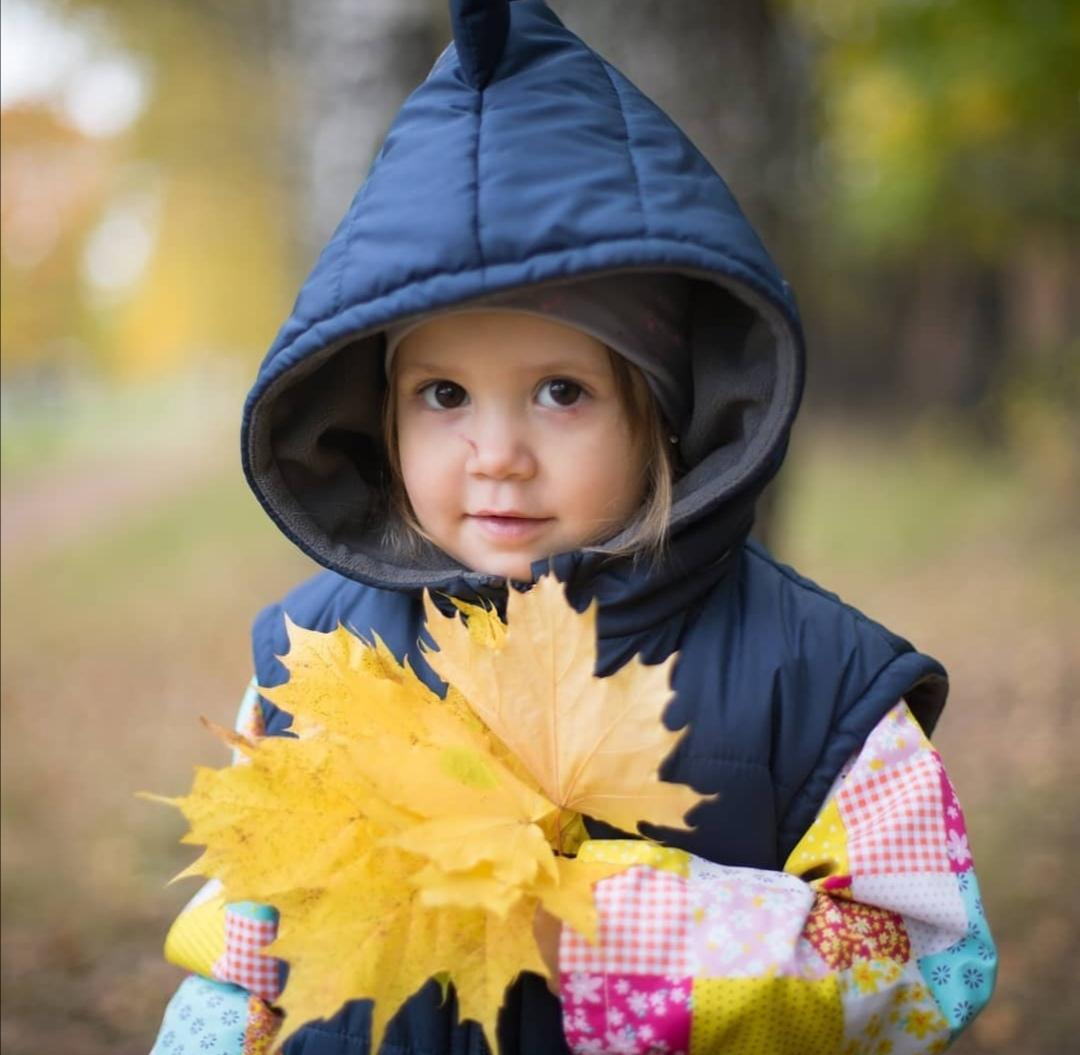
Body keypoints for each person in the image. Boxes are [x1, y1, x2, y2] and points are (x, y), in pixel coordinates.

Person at [150, 2, 996, 1053]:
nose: (495, 451)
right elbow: (238, 975)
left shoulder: (809, 674)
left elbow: (926, 963)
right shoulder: (314, 656)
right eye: (444, 394)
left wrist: (592, 926)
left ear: (659, 408)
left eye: (560, 390)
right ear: (379, 411)